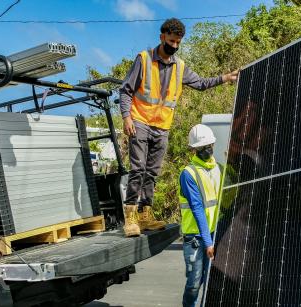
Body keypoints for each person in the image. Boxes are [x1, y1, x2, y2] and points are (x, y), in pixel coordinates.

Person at [119, 18, 238, 236]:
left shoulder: (180, 66)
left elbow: (201, 84)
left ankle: (145, 215)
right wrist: (126, 117)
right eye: (171, 41)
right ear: (162, 36)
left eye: (178, 43)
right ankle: (130, 217)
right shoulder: (144, 60)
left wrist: (225, 78)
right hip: (139, 121)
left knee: (152, 171)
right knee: (138, 169)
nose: (174, 46)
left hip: (162, 127)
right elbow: (125, 91)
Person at [179, 124, 221, 307]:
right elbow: (197, 208)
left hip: (214, 233)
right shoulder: (188, 173)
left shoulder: (219, 168)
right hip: (196, 238)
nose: (207, 150)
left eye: (209, 145)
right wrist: (208, 241)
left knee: (208, 279)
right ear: (195, 149)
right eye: (203, 147)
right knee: (194, 284)